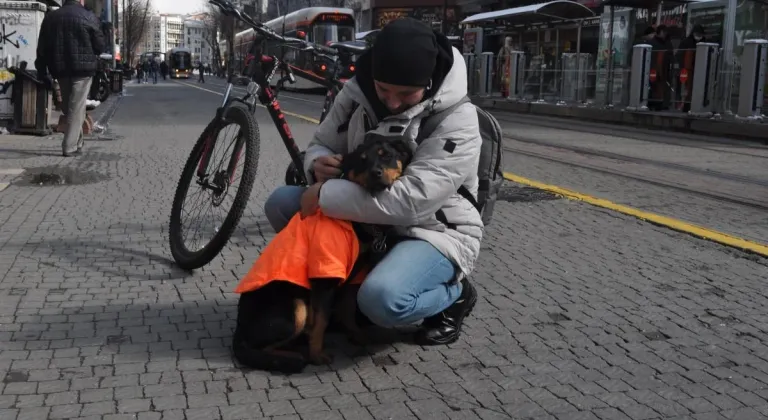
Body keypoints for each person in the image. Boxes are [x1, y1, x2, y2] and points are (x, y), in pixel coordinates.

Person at [263, 17, 483, 345]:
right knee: (282, 204)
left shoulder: (457, 120)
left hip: (432, 230)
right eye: (383, 89)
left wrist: (325, 191)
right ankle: (337, 289)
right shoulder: (356, 93)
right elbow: (322, 142)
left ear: (429, 81)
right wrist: (316, 165)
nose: (391, 102)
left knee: (382, 300)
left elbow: (410, 202)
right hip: (369, 221)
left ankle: (455, 295)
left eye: (405, 94)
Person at [35, 0, 105, 157]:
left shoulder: (51, 18)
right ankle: (69, 146)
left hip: (60, 69)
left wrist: (42, 70)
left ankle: (78, 141)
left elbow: (42, 47)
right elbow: (100, 46)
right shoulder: (89, 17)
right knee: (75, 107)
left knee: (69, 106)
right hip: (83, 70)